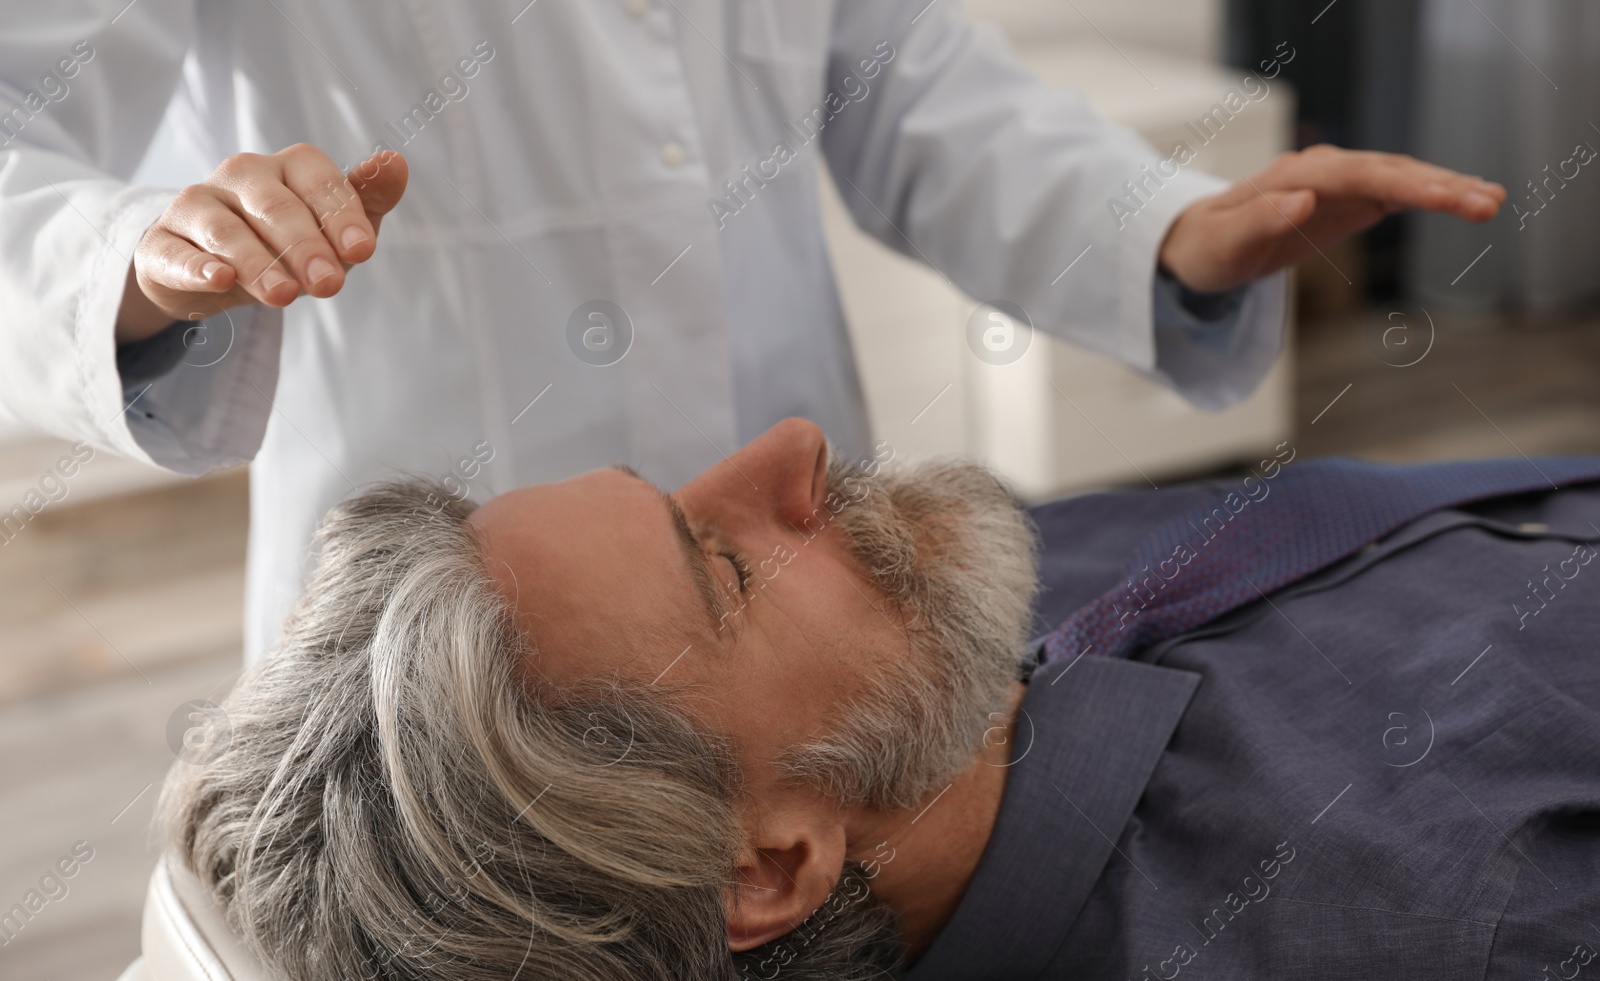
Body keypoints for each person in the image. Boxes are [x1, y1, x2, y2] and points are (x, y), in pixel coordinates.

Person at [0, 2, 1503, 662]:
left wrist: (1162, 230)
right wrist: (137, 255)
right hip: (436, 570)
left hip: (798, 572)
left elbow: (907, 82)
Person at [159, 418, 1600, 981]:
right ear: (767, 872)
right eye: (719, 568)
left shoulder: (949, 642)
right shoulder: (1473, 948)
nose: (787, 448)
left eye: (674, 484)